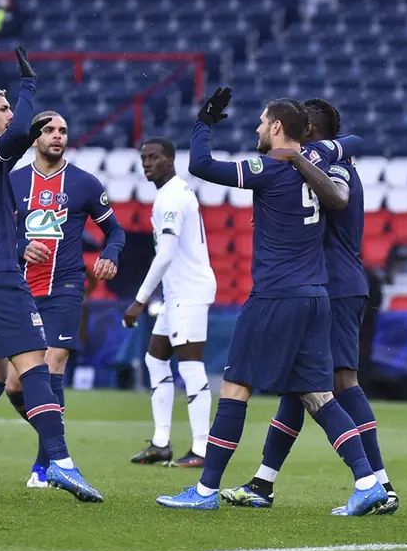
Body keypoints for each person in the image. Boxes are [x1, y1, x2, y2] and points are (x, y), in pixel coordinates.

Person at [155, 88, 387, 515]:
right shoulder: (321, 161)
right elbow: (350, 143)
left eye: (263, 122)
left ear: (277, 128)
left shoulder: (267, 167)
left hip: (275, 294)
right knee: (319, 396)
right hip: (317, 296)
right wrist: (304, 152)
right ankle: (369, 481)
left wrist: (203, 123)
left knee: (235, 386)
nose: (258, 128)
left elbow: (200, 165)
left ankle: (205, 491)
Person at [0, 46, 102, 502]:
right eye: (3, 108)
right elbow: (17, 139)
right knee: (37, 369)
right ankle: (60, 463)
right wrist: (28, 87)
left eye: (11, 107)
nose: (10, 115)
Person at [220, 98, 398, 513]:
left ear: (311, 134)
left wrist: (300, 157)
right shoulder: (321, 163)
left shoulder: (331, 168)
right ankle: (263, 483)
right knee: (300, 387)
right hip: (329, 285)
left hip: (332, 286)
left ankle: (380, 483)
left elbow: (336, 193)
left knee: (340, 383)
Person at [5, 110, 126, 489]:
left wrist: (111, 254)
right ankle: (55, 436)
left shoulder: (84, 183)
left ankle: (44, 468)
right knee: (14, 386)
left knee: (52, 365)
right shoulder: (12, 182)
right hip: (22, 292)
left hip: (66, 288)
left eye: (63, 131)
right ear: (34, 137)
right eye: (49, 130)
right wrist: (22, 246)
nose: (58, 136)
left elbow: (116, 231)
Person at [123, 137, 216, 469]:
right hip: (179, 292)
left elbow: (165, 255)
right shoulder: (172, 194)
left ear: (171, 160)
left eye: (155, 158)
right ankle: (161, 443)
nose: (148, 163)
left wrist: (139, 300)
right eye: (144, 158)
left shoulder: (172, 198)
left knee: (191, 368)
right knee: (155, 359)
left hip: (188, 292)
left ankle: (203, 449)